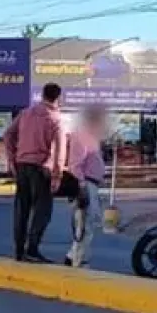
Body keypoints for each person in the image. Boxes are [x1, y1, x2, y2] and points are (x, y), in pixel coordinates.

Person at [4, 83, 67, 263]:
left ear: (42, 95)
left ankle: (19, 250)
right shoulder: (56, 119)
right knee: (42, 211)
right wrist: (57, 176)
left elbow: (8, 134)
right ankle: (32, 248)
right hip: (41, 168)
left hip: (22, 166)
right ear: (58, 98)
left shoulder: (25, 113)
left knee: (21, 210)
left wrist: (12, 158)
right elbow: (60, 150)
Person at [65, 105, 107, 268]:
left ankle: (74, 256)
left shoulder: (91, 137)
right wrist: (82, 186)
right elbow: (75, 165)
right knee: (85, 225)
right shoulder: (82, 136)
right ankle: (78, 260)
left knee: (88, 224)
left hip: (91, 184)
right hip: (86, 185)